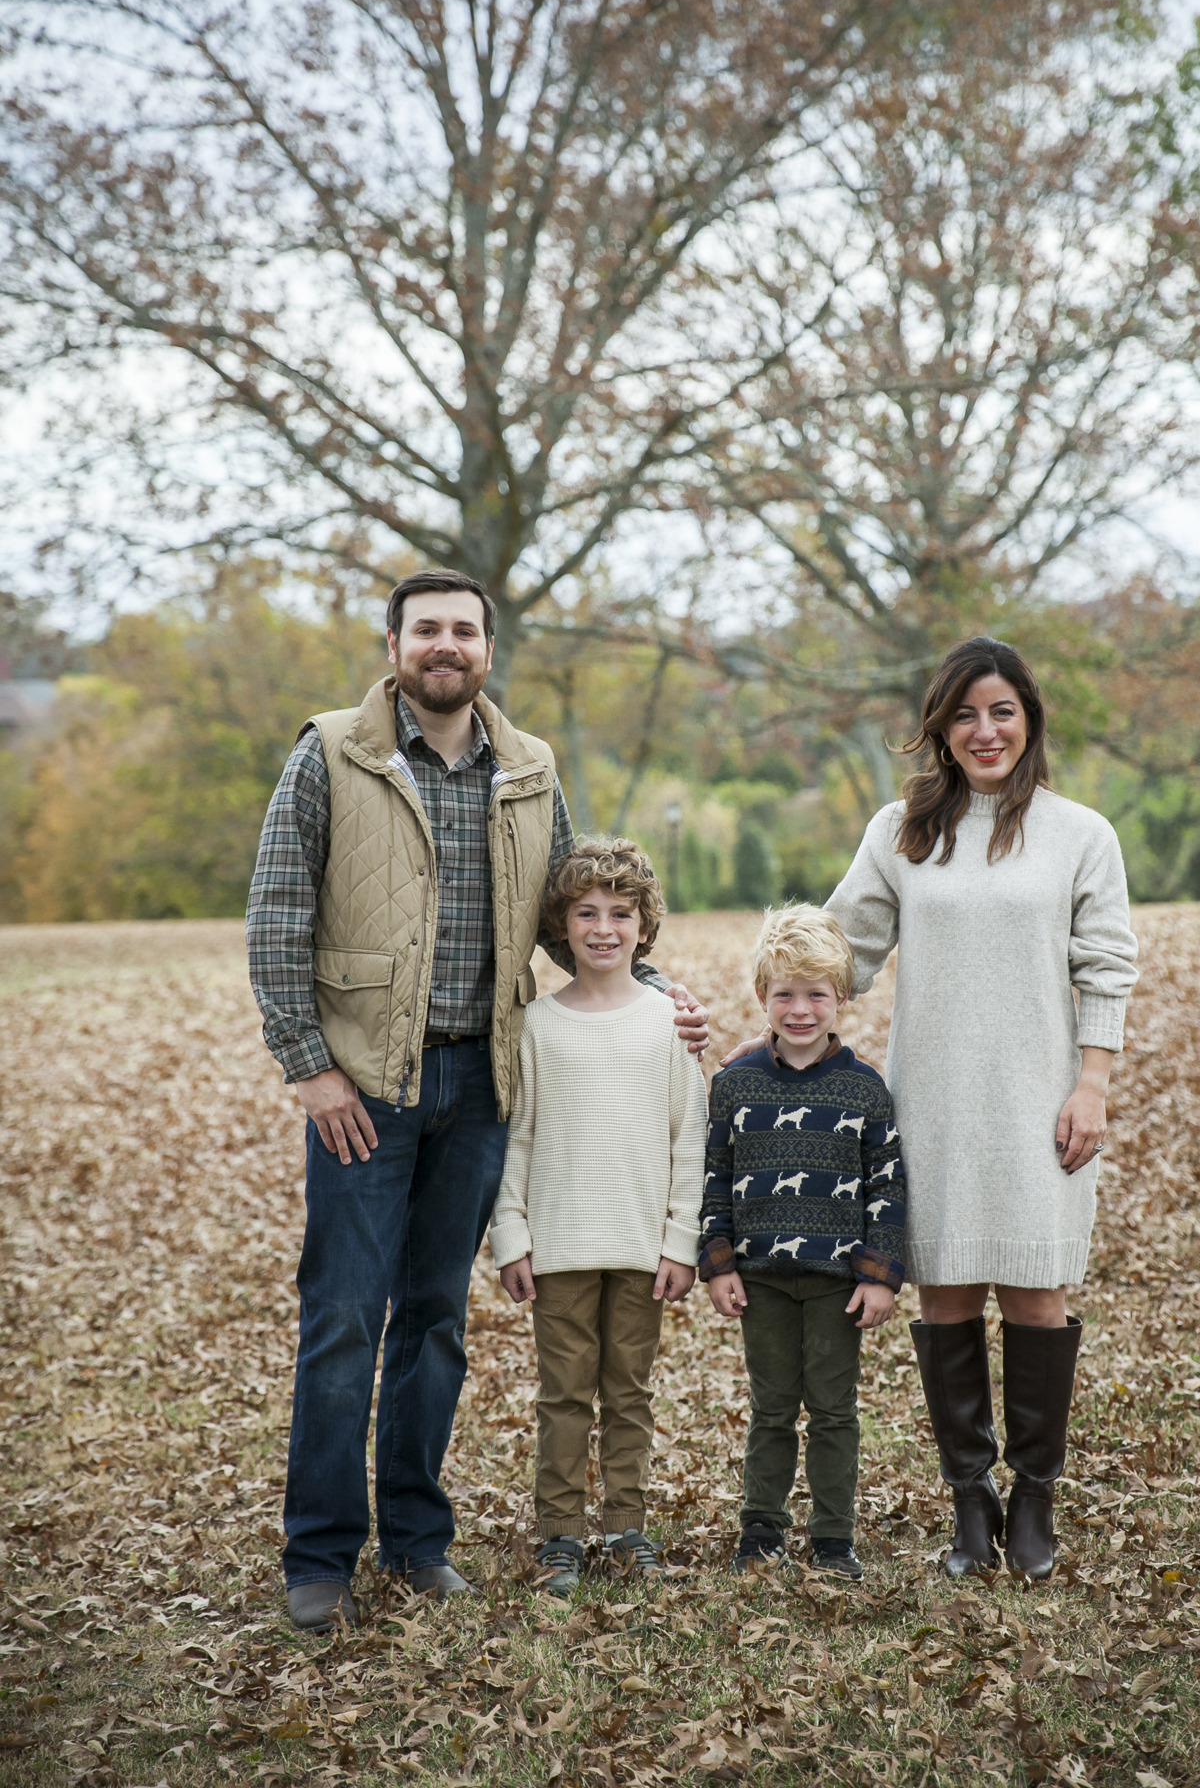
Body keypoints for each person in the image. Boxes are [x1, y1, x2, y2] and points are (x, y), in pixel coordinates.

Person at [246, 570, 709, 1631]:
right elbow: (275, 914)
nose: (444, 644)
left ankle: (416, 1542)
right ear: (397, 643)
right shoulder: (331, 751)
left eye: (463, 629)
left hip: (481, 1084)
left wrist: (653, 988)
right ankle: (319, 1556)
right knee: (344, 1321)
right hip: (364, 1086)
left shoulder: (530, 767)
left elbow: (574, 916)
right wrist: (308, 1065)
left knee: (436, 1323)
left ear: (487, 647)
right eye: (426, 629)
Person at [825, 637, 1138, 1580]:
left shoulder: (1081, 833)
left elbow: (1106, 967)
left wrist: (1094, 1085)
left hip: (1042, 1102)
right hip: (932, 1102)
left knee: (1038, 1296)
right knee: (948, 1293)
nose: (985, 730)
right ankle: (972, 1504)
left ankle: (1035, 1502)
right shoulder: (901, 831)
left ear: (1030, 719)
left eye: (1002, 711)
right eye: (965, 713)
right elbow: (841, 951)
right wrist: (743, 995)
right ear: (941, 729)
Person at [491, 838, 707, 1594]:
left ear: (646, 927)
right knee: (563, 1394)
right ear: (562, 924)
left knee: (629, 1393)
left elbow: (690, 1141)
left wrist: (682, 1243)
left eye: (622, 913)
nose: (604, 928)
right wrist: (511, 1236)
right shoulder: (536, 1026)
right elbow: (517, 1136)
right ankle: (560, 1535)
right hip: (558, 1244)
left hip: (642, 1246)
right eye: (586, 913)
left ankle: (626, 1526)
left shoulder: (670, 1025)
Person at [700, 906, 905, 1581]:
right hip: (760, 1275)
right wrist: (718, 1262)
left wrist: (879, 1274)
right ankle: (761, 1529)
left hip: (835, 1279)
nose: (799, 1008)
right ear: (762, 997)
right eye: (784, 993)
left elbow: (886, 1184)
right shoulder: (735, 1086)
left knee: (834, 1408)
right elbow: (716, 1176)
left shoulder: (863, 1089)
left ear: (841, 998)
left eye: (816, 993)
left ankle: (833, 1537)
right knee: (772, 1405)